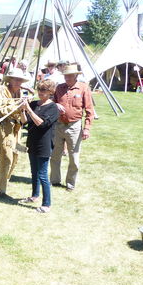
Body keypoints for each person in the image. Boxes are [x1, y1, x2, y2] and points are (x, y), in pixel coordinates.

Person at [50, 62, 95, 191]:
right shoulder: (59, 88)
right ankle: (54, 180)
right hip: (59, 125)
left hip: (74, 126)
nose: (67, 78)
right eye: (65, 76)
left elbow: (89, 110)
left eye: (70, 76)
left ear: (76, 75)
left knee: (74, 157)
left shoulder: (83, 88)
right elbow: (52, 103)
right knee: (55, 155)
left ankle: (70, 183)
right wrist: (55, 105)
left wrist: (86, 128)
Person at [20, 79, 59, 212]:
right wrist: (22, 110)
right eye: (39, 89)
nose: (40, 93)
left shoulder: (53, 108)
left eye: (43, 90)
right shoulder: (34, 104)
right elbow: (25, 122)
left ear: (50, 92)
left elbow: (41, 123)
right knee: (34, 172)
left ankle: (46, 204)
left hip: (44, 144)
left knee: (42, 174)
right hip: (32, 142)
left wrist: (29, 109)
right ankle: (35, 196)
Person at [0, 67, 29, 197]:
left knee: (16, 154)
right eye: (16, 79)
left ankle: (4, 180)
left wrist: (23, 106)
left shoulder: (19, 92)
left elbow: (21, 110)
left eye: (20, 80)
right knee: (6, 157)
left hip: (17, 128)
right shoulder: (2, 90)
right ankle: (1, 190)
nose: (18, 82)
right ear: (10, 79)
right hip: (5, 127)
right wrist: (19, 105)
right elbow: (2, 110)